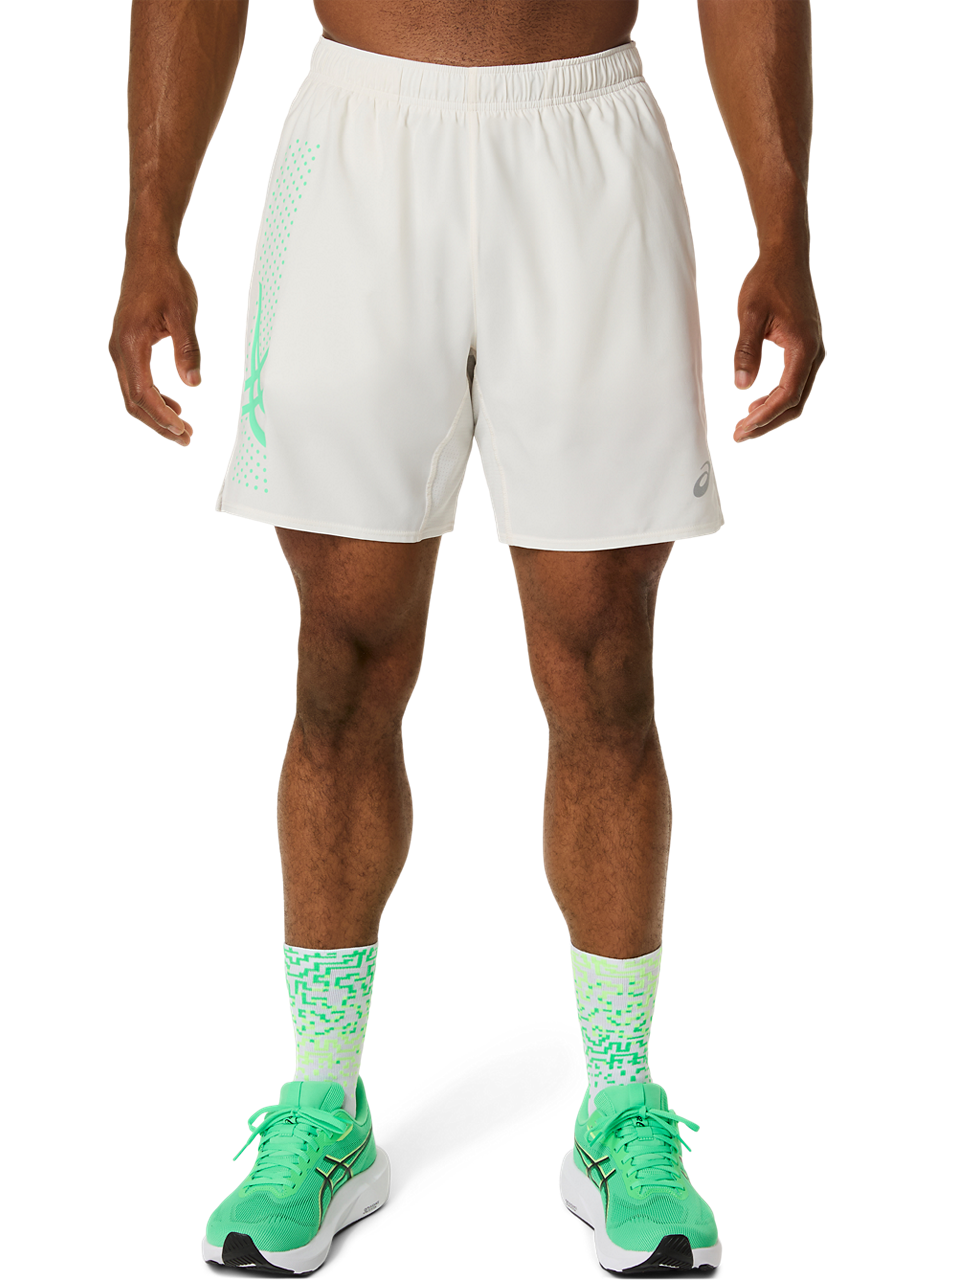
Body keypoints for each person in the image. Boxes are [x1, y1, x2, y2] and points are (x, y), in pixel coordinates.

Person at [109, 1, 825, 1272]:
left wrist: (784, 229)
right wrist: (149, 228)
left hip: (588, 139)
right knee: (342, 655)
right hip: (362, 149)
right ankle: (324, 1101)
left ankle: (619, 1103)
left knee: (603, 657)